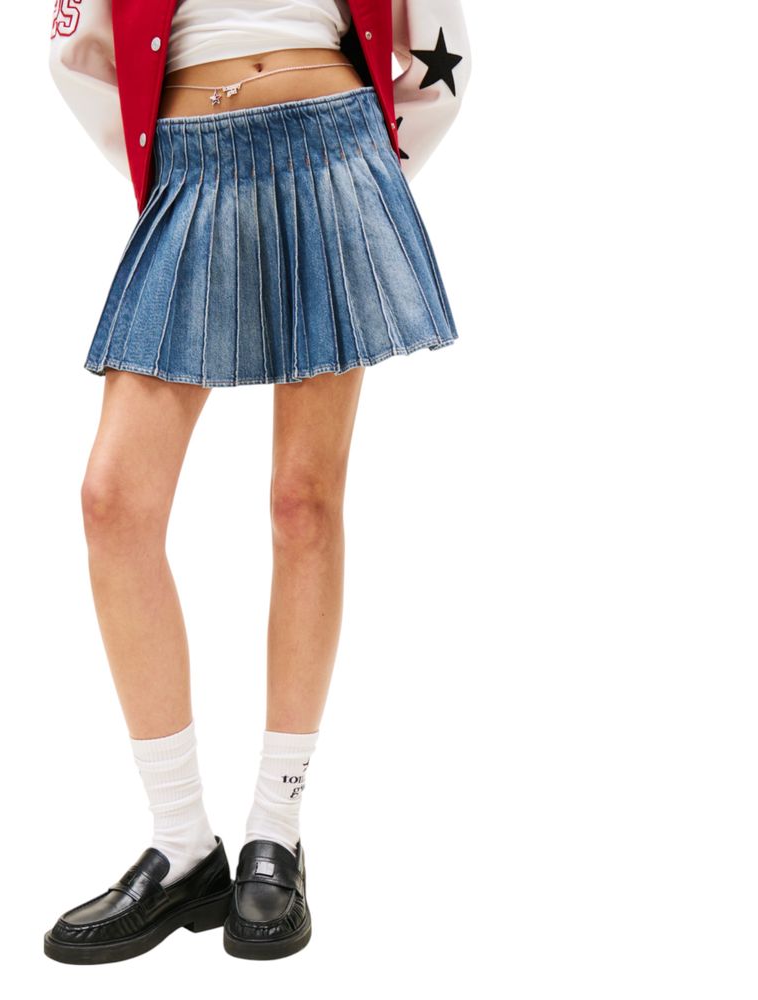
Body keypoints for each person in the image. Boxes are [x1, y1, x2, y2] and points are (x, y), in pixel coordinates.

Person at [43, 0, 470, 963]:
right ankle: (182, 843)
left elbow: (439, 44)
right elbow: (78, 48)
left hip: (334, 148)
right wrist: (161, 167)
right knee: (114, 502)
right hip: (190, 165)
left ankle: (277, 828)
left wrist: (375, 174)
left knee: (302, 503)